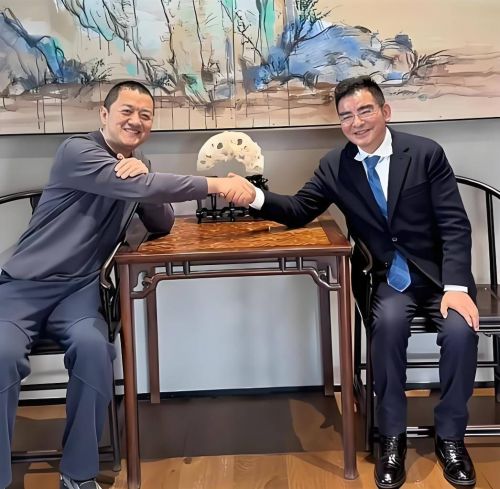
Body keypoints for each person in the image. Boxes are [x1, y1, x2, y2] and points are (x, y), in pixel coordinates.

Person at [0, 80, 254, 489]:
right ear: (104, 114)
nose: (136, 121)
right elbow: (134, 188)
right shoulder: (76, 151)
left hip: (79, 291)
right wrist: (215, 183)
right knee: (2, 354)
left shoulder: (135, 165)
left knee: (93, 350)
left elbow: (162, 222)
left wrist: (145, 176)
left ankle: (78, 475)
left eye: (145, 115)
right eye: (127, 111)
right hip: (23, 287)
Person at [234, 76, 479, 489]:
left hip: (440, 277)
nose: (356, 122)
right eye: (346, 115)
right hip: (389, 279)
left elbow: (455, 224)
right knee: (388, 329)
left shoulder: (425, 153)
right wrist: (255, 197)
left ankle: (451, 437)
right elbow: (299, 209)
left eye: (365, 111)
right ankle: (392, 438)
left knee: (460, 333)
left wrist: (456, 287)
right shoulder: (336, 165)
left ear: (385, 112)